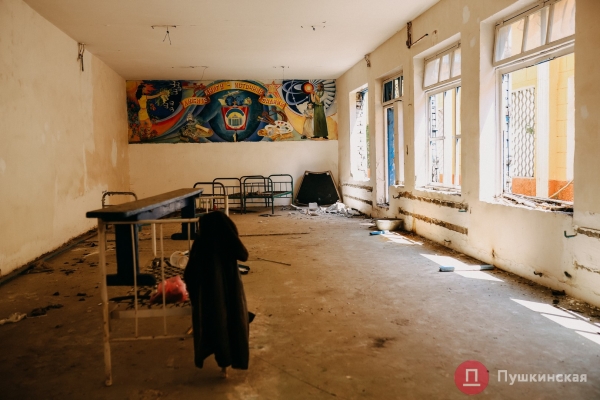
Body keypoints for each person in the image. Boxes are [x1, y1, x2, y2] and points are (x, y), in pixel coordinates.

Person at [183, 211, 250, 378]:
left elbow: (189, 273)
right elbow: (243, 255)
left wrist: (193, 291)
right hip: (231, 291)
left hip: (207, 295)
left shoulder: (201, 243)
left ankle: (222, 361)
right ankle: (226, 364)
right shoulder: (228, 239)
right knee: (232, 323)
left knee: (215, 326)